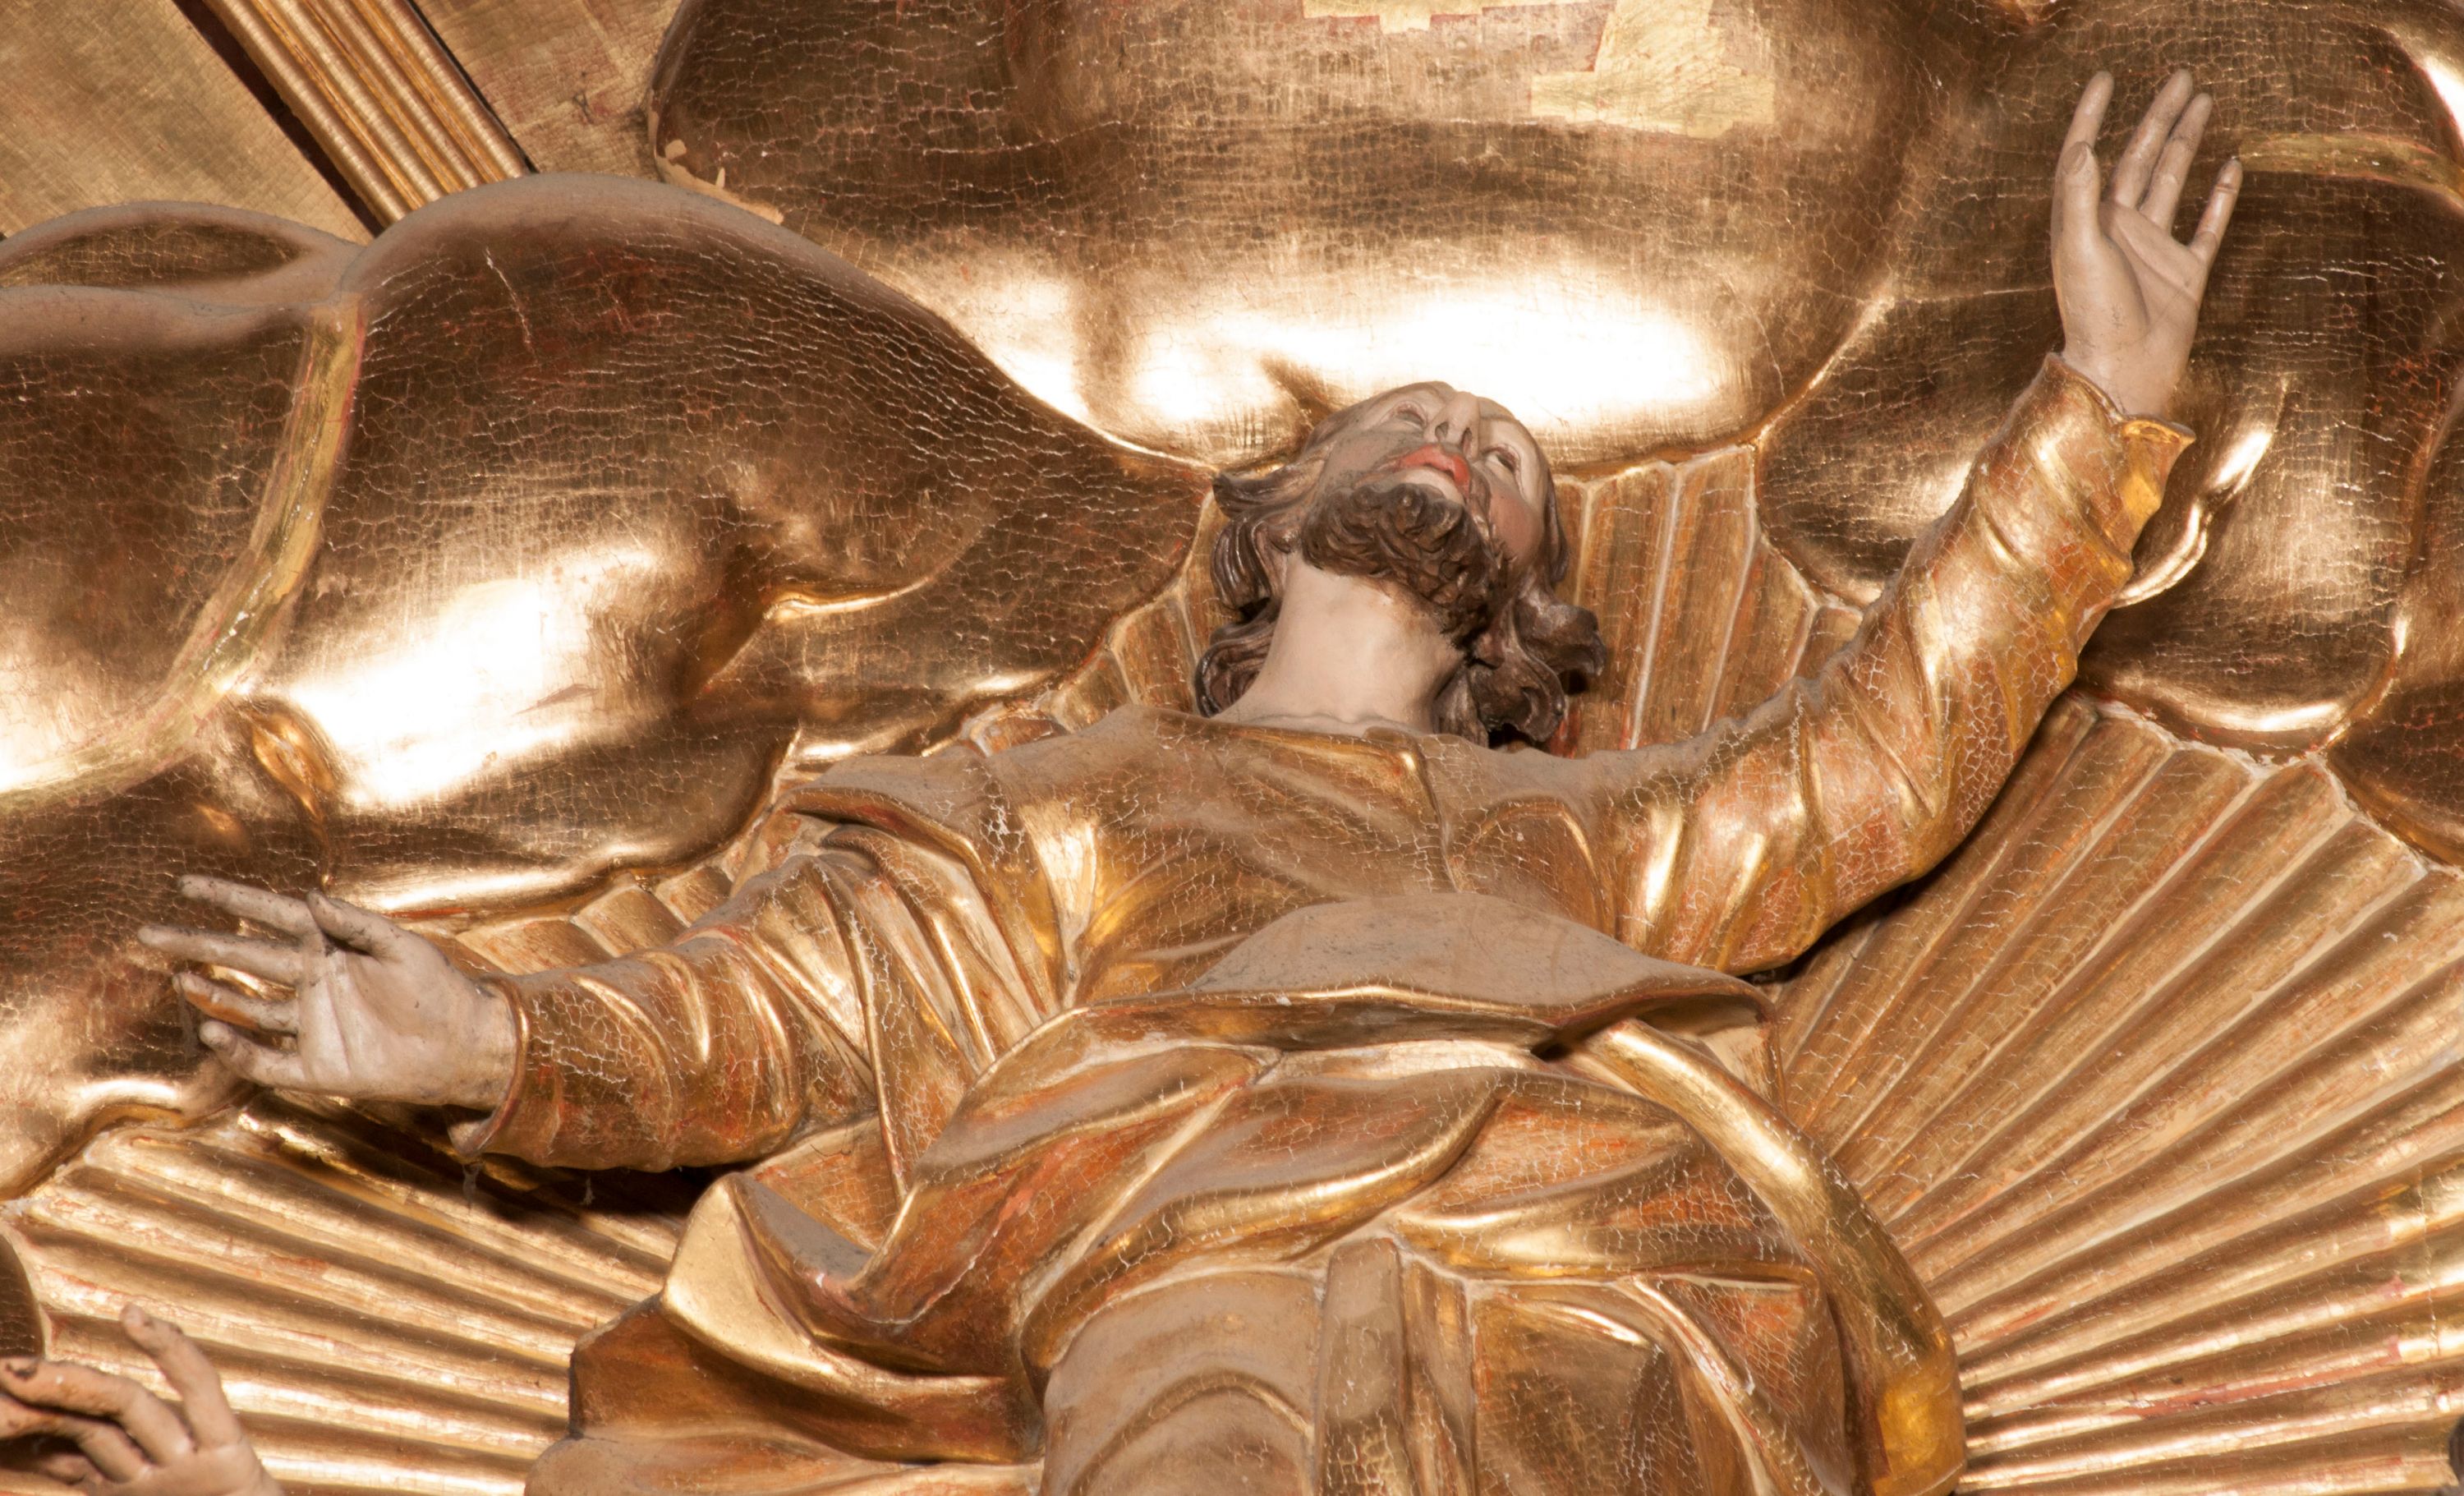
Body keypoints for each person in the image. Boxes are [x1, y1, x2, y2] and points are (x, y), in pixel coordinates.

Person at [7, 70, 2236, 1496]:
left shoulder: (1598, 837)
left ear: (1527, 615)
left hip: (1620, 1255)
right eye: (1411, 425)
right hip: (1191, 1241)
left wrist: (2104, 406)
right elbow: (772, 1016)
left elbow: (1872, 760)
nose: (1463, 440)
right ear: (1268, 525)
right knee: (1213, 1428)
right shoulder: (1048, 804)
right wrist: (490, 1040)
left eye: (1505, 462)